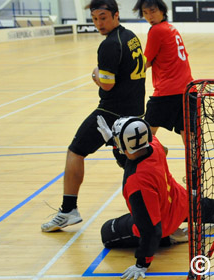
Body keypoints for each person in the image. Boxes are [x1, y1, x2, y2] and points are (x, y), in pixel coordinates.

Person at [96, 116, 214, 280]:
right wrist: (112, 142)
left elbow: (150, 229)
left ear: (124, 145)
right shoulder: (155, 145)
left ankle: (169, 237)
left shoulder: (136, 183)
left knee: (107, 232)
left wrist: (142, 263)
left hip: (162, 221)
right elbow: (132, 157)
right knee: (208, 206)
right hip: (179, 200)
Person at [41, 0, 146, 232]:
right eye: (95, 18)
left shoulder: (109, 45)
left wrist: (96, 75)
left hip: (111, 114)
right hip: (135, 112)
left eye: (103, 17)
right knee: (134, 163)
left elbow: (107, 85)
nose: (99, 23)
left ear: (116, 15)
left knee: (75, 150)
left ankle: (69, 210)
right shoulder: (130, 36)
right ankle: (159, 206)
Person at [132, 0, 194, 144]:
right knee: (190, 142)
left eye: (152, 11)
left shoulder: (156, 30)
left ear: (162, 11)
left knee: (144, 137)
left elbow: (145, 62)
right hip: (189, 90)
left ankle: (149, 162)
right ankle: (194, 167)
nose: (149, 17)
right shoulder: (171, 28)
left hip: (168, 92)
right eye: (145, 13)